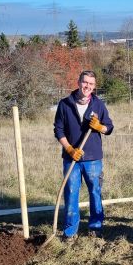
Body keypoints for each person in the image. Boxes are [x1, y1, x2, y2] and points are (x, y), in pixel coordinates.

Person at [53, 70, 113, 239]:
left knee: (95, 191)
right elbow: (58, 130)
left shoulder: (98, 105)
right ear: (79, 82)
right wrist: (69, 149)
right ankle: (70, 230)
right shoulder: (65, 104)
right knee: (71, 192)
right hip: (71, 158)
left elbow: (109, 127)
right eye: (85, 82)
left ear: (94, 87)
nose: (87, 86)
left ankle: (96, 226)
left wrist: (100, 127)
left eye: (91, 84)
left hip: (93, 158)